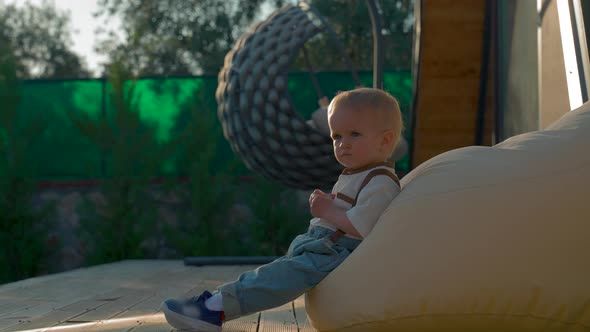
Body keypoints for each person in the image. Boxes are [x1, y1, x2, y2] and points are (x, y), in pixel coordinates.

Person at [161, 87, 404, 331]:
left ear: (385, 140)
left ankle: (214, 309)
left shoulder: (380, 181)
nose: (343, 144)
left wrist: (328, 211)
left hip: (334, 252)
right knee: (268, 275)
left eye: (354, 134)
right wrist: (331, 203)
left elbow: (362, 227)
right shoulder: (360, 174)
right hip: (321, 245)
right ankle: (215, 303)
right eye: (336, 137)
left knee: (272, 280)